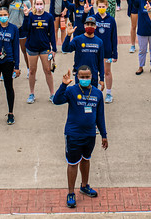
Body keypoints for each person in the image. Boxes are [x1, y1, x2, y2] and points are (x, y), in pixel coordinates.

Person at [53, 66, 108, 208]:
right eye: (82, 77)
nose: (85, 79)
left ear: (92, 76)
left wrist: (104, 135)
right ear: (77, 77)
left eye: (87, 76)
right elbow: (57, 100)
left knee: (86, 159)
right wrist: (63, 85)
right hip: (73, 134)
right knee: (72, 163)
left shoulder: (97, 93)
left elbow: (100, 116)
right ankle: (71, 192)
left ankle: (84, 186)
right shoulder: (71, 90)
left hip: (90, 134)